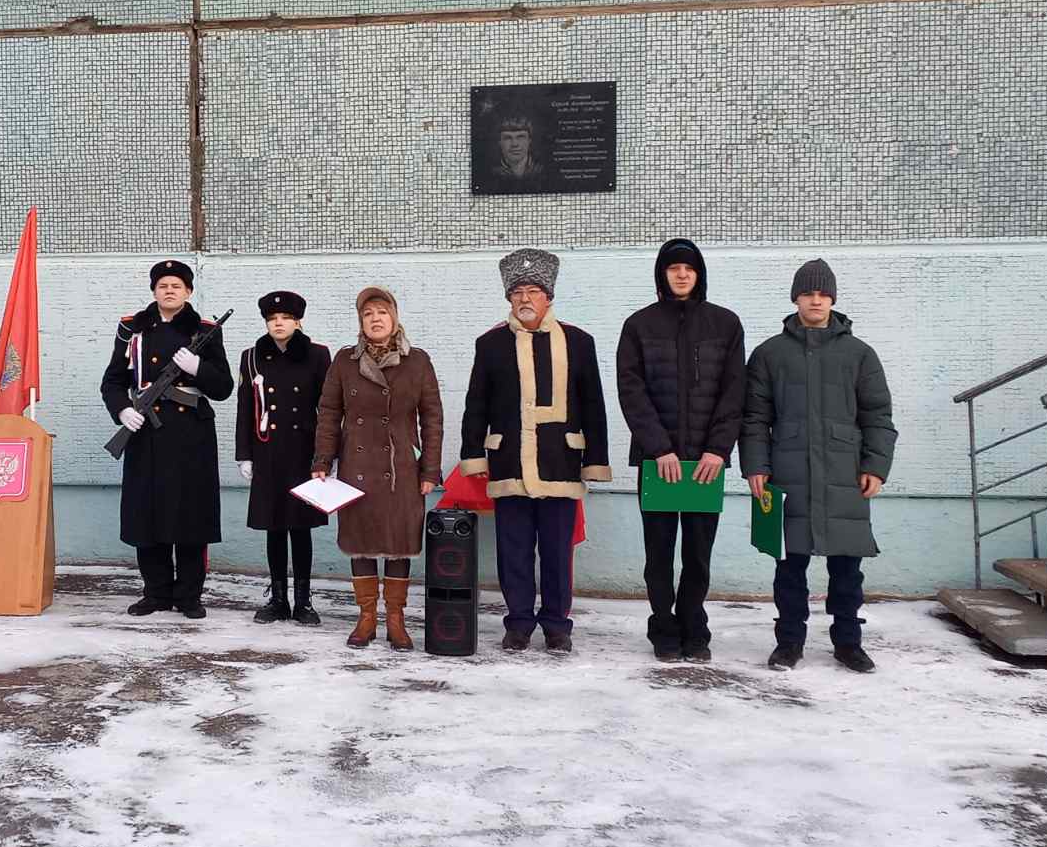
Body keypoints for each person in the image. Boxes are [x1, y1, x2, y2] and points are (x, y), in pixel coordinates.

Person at [740, 259, 896, 673]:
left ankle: (848, 642)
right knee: (789, 566)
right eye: (808, 293)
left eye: (823, 294)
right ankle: (789, 642)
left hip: (845, 475)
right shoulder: (769, 354)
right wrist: (756, 465)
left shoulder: (860, 354)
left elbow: (878, 416)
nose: (815, 300)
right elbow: (754, 418)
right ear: (795, 297)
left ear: (833, 299)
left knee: (847, 568)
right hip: (787, 475)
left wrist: (876, 467)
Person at [460, 249, 612, 653]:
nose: (525, 299)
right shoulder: (490, 344)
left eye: (533, 291)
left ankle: (558, 625)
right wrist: (474, 454)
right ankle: (519, 624)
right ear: (509, 299)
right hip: (509, 462)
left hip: (561, 462)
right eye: (518, 293)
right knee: (514, 551)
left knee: (558, 553)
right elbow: (476, 404)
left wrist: (596, 460)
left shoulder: (580, 342)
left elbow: (593, 403)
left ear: (549, 297)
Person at [616, 239, 746, 662]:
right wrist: (659, 449)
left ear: (699, 273)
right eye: (673, 268)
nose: (681, 274)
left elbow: (734, 393)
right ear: (662, 274)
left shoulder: (725, 325)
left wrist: (717, 450)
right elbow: (631, 391)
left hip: (705, 464)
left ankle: (695, 624)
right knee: (658, 552)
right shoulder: (639, 326)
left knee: (697, 552)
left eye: (689, 267)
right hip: (659, 464)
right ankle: (663, 626)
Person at [312, 287, 444, 650]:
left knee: (399, 544)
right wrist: (322, 461)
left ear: (395, 318)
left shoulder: (417, 361)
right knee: (362, 544)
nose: (375, 318)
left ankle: (397, 620)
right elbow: (329, 414)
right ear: (361, 321)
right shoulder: (345, 361)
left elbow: (432, 418)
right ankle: (367, 617)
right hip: (357, 467)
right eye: (368, 313)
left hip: (402, 467)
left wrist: (430, 470)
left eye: (382, 312)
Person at [101, 259, 233, 619]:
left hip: (192, 435)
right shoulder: (133, 329)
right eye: (163, 285)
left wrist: (198, 368)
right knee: (149, 514)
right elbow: (112, 381)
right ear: (154, 291)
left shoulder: (204, 331)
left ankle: (189, 595)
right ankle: (156, 592)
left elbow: (223, 387)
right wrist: (122, 411)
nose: (169, 290)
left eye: (177, 285)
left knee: (190, 515)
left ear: (188, 291)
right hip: (147, 434)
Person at [235, 291, 331, 625]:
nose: (279, 323)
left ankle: (303, 602)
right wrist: (244, 454)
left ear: (298, 321)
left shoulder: (318, 355)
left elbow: (330, 409)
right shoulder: (252, 357)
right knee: (273, 527)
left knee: (300, 527)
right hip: (268, 452)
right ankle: (278, 599)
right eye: (273, 319)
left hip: (304, 454)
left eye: (286, 318)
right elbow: (245, 409)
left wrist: (326, 455)